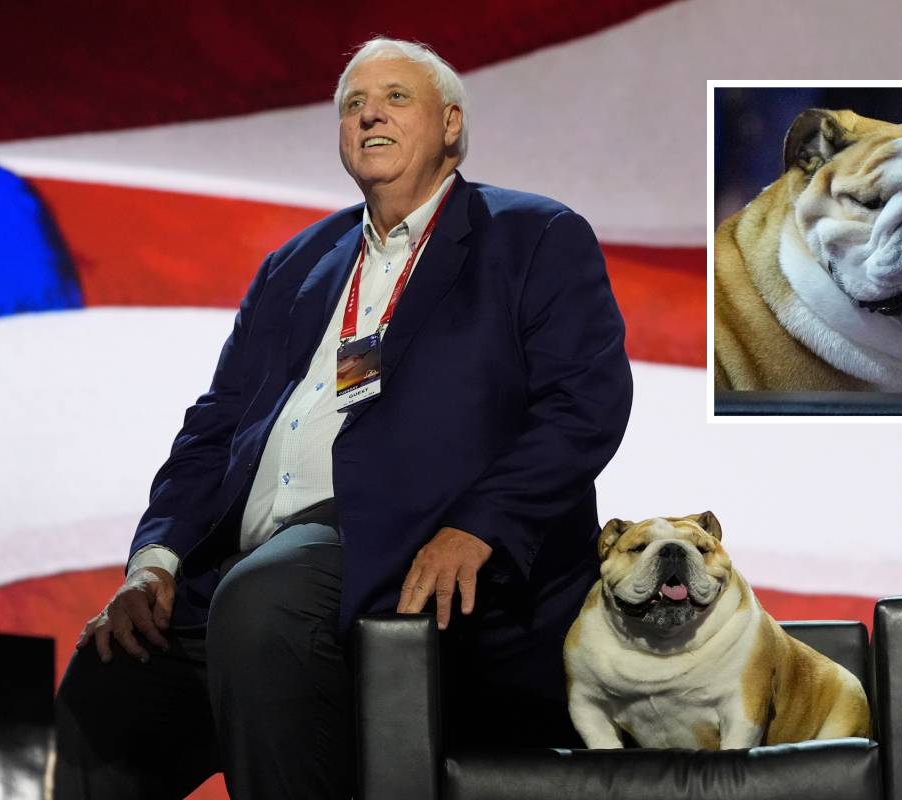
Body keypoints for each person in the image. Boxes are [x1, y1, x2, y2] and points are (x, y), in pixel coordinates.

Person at [54, 37, 632, 800]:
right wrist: (156, 559)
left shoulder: (532, 236)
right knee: (109, 683)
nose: (369, 115)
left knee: (263, 607)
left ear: (451, 125)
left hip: (398, 541)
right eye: (353, 104)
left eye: (395, 97)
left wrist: (481, 524)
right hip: (245, 558)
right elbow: (217, 423)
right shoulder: (298, 262)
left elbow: (584, 404)